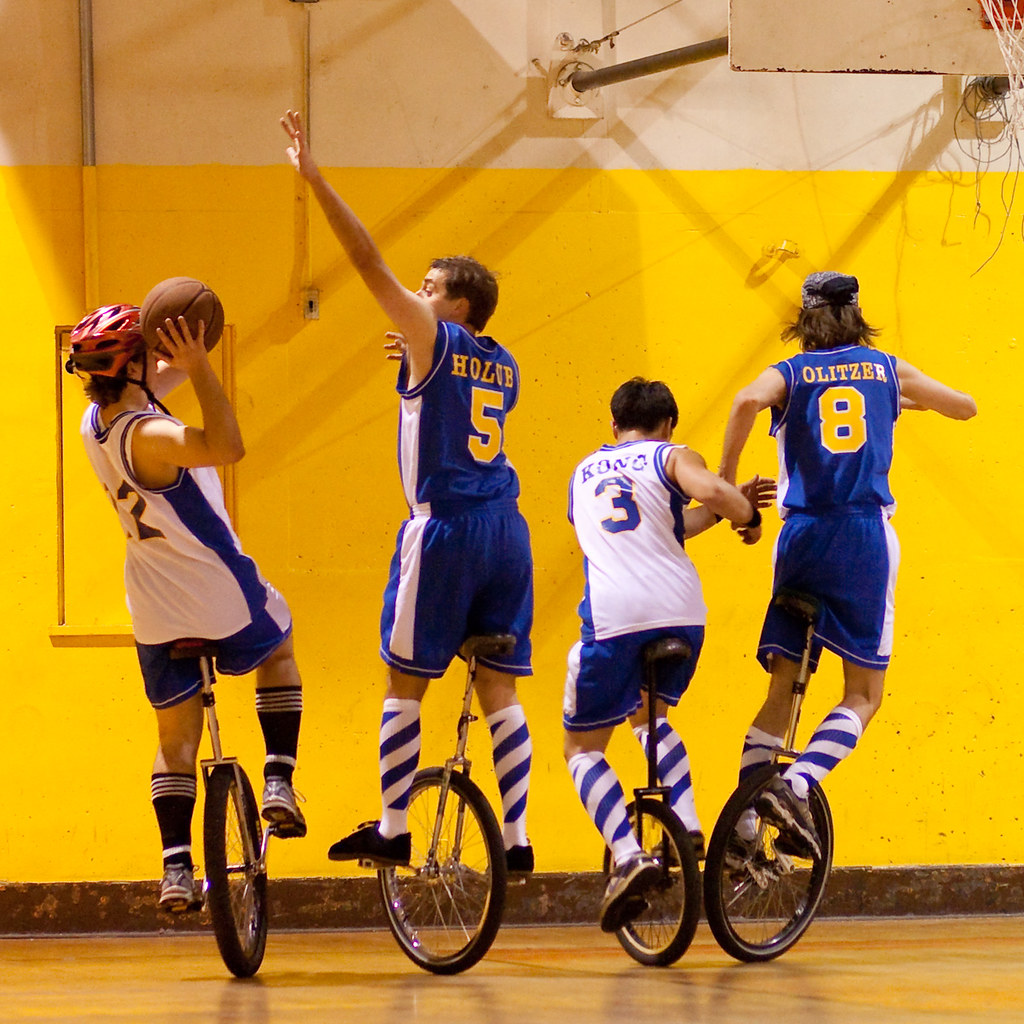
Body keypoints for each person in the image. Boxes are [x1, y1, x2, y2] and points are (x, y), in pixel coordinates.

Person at [280, 110, 536, 873]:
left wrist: (315, 180)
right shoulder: (503, 360)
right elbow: (448, 389)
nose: (415, 295)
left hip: (448, 528)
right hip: (507, 531)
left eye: (429, 289)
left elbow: (363, 262)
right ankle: (518, 844)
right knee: (499, 688)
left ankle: (393, 824)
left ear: (456, 306)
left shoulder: (435, 337)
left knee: (404, 680)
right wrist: (416, 355)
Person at [719, 271, 977, 857]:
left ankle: (740, 828)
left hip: (801, 537)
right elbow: (966, 407)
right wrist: (909, 400)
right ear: (856, 313)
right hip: (862, 536)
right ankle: (797, 785)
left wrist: (728, 484)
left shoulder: (789, 374)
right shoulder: (883, 367)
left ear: (805, 319)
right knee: (863, 694)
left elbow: (743, 401)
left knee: (782, 684)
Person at [66, 305, 307, 912]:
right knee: (279, 647)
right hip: (214, 586)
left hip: (153, 603)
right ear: (134, 363)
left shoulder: (94, 422)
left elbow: (155, 379)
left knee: (175, 737)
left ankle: (176, 868)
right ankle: (279, 775)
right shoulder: (151, 436)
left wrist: (182, 353)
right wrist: (203, 369)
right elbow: (228, 446)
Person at [564, 377, 773, 932]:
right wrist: (746, 517)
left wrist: (733, 507)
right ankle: (685, 822)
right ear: (669, 425)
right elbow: (702, 507)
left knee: (582, 748)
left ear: (613, 425)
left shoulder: (583, 473)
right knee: (651, 716)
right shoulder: (672, 454)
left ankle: (630, 857)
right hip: (682, 613)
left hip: (615, 617)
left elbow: (641, 529)